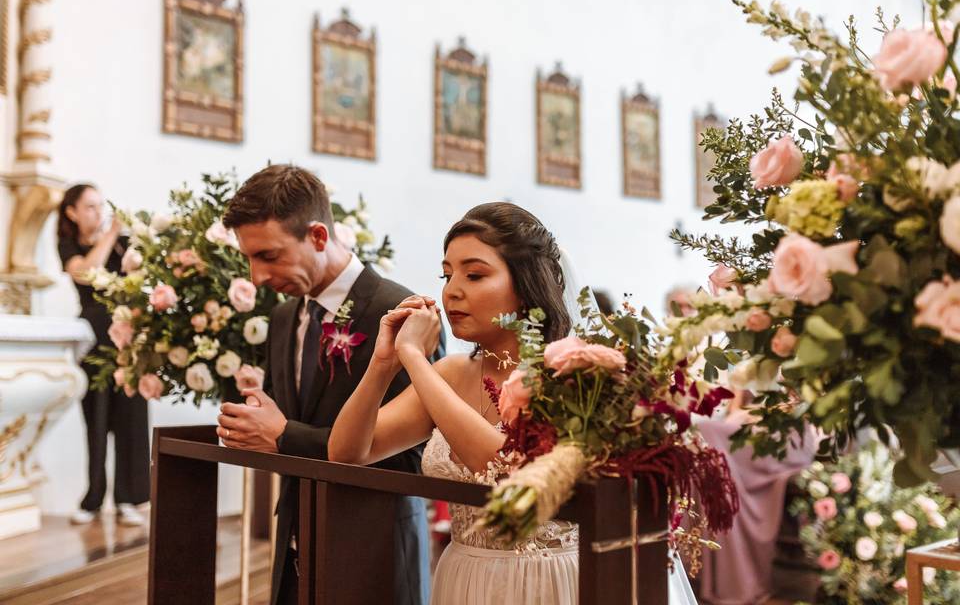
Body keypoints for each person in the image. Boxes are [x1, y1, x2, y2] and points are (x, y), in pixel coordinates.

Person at [328, 202, 699, 605]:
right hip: (467, 579)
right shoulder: (450, 374)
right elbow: (348, 451)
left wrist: (416, 359)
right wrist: (384, 364)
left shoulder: (575, 372)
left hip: (555, 581)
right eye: (447, 274)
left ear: (525, 285)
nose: (452, 290)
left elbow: (505, 470)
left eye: (474, 274)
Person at [216, 164, 435, 605]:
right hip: (296, 541)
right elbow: (277, 425)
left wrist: (282, 436)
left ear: (318, 236)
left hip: (375, 548)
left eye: (268, 256)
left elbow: (414, 455)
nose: (256, 277)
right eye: (249, 258)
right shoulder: (284, 317)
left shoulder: (399, 311)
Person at [56, 183, 149, 527]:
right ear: (73, 212)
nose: (98, 212)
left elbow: (141, 280)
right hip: (93, 339)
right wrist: (110, 233)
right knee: (94, 419)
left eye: (101, 206)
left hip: (127, 338)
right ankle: (93, 498)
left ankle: (130, 498)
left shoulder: (124, 242)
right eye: (90, 207)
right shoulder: (70, 244)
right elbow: (85, 272)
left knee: (130, 418)